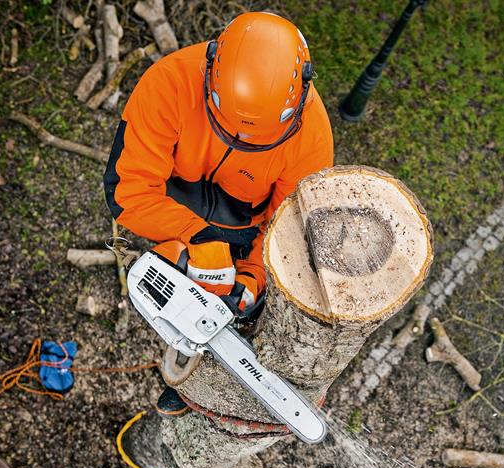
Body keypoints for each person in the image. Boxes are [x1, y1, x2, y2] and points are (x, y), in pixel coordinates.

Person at [104, 11, 333, 316]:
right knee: (176, 260)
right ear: (211, 66)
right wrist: (196, 235)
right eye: (229, 131)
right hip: (170, 205)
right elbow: (128, 189)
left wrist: (254, 275)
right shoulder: (171, 82)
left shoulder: (313, 138)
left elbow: (289, 227)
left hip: (245, 227)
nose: (239, 140)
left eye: (253, 138)